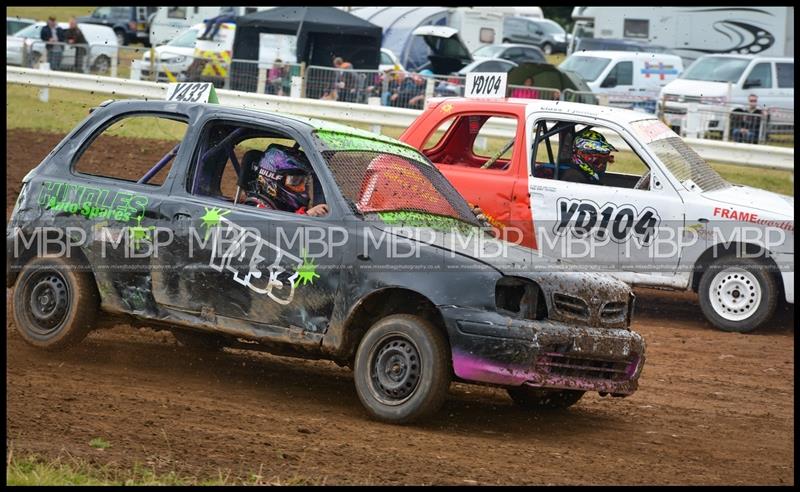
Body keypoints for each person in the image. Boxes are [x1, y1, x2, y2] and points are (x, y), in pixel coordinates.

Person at [240, 145, 329, 217]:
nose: (302, 188)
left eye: (305, 182)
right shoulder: (254, 208)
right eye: (295, 182)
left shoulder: (282, 206)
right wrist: (307, 216)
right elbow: (273, 231)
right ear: (272, 178)